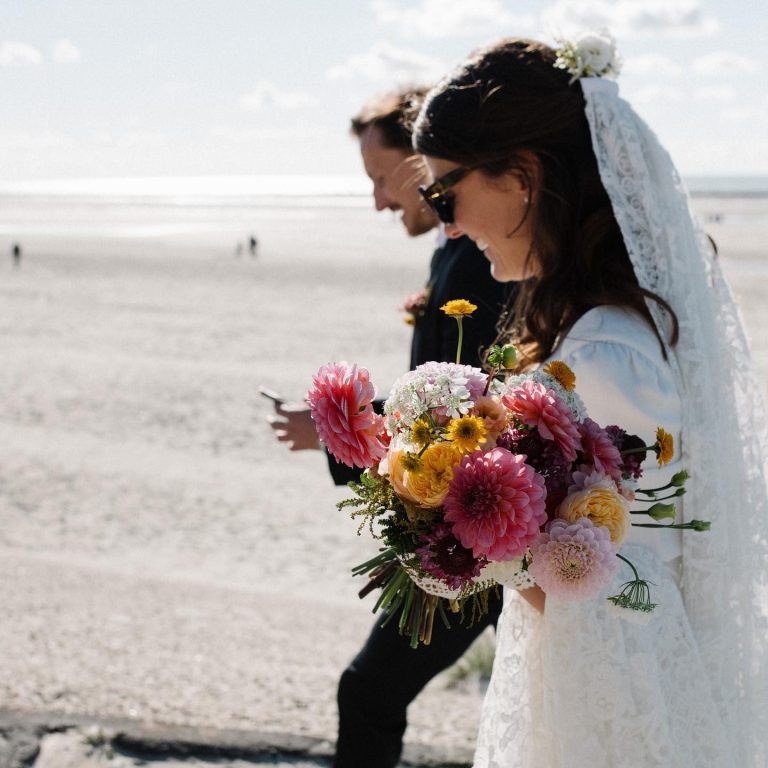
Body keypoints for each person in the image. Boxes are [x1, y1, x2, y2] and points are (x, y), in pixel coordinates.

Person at [413, 35, 768, 768]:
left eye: (445, 191)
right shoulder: (612, 329)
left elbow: (606, 581)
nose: (446, 222)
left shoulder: (604, 357)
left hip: (612, 685)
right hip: (621, 667)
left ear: (523, 176)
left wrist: (461, 530)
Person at [268, 87, 512, 768]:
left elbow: (468, 417)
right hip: (476, 526)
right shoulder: (456, 253)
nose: (378, 200)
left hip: (475, 529)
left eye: (381, 179)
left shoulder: (477, 262)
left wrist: (336, 428)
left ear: (421, 163)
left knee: (369, 691)